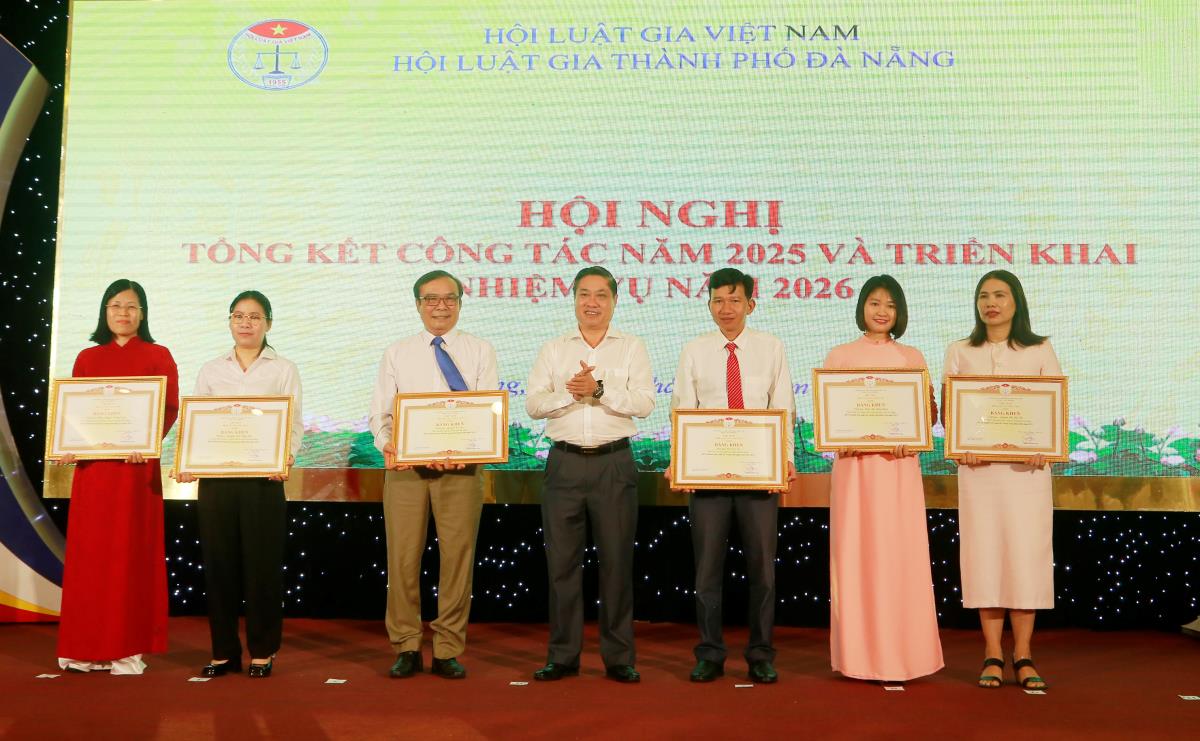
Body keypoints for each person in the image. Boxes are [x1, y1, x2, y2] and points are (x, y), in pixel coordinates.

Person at [526, 266, 654, 683]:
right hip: (563, 463)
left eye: (601, 295)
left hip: (613, 463)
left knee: (616, 563)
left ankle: (619, 658)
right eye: (584, 294)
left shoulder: (632, 347)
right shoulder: (554, 349)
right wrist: (572, 392)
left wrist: (599, 391)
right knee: (562, 565)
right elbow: (533, 405)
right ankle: (563, 656)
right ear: (574, 299)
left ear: (614, 301)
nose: (592, 302)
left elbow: (644, 403)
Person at [668, 267, 796, 684]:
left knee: (763, 571)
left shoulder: (771, 348)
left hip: (759, 475)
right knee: (707, 571)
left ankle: (761, 654)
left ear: (750, 304)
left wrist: (785, 459)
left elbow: (783, 406)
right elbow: (682, 409)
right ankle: (710, 653)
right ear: (709, 305)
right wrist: (680, 460)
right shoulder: (694, 350)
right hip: (707, 477)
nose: (726, 308)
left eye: (734, 300)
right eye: (718, 300)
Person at [368, 270, 497, 679]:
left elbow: (487, 412)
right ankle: (406, 644)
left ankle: (447, 648)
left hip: (462, 471)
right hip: (406, 470)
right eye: (431, 299)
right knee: (402, 558)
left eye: (449, 298)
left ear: (460, 302)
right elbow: (380, 413)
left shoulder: (480, 350)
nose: (441, 306)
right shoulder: (397, 353)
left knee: (457, 559)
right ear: (417, 304)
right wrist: (388, 444)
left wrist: (466, 450)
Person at [943, 269, 1061, 690]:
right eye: (983, 296)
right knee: (986, 557)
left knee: (1025, 559)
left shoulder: (1040, 349)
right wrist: (961, 444)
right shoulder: (960, 351)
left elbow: (1053, 409)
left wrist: (1043, 445)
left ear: (1016, 302)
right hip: (979, 473)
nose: (990, 303)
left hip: (1028, 473)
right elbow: (951, 414)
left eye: (999, 295)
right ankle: (992, 653)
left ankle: (1023, 654)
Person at [175, 291, 302, 678]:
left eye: (254, 316)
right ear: (230, 321)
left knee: (262, 567)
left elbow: (293, 422)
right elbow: (197, 422)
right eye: (238, 316)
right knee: (219, 568)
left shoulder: (283, 368)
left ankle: (263, 651)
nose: (246, 323)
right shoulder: (212, 369)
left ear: (268, 323)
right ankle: (224, 652)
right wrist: (188, 460)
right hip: (217, 482)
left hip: (263, 481)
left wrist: (284, 458)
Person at [55, 279, 179, 675]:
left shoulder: (158, 356)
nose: (123, 313)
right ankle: (83, 647)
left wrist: (147, 440)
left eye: (131, 306)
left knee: (130, 556)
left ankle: (127, 649)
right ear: (104, 312)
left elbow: (169, 408)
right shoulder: (87, 358)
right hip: (93, 473)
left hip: (135, 473)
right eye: (115, 306)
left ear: (142, 313)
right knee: (89, 557)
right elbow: (75, 413)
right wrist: (70, 443)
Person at [824, 275, 943, 682]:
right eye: (874, 302)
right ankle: (857, 658)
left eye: (890, 305)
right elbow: (830, 417)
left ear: (900, 312)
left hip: (897, 472)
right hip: (854, 473)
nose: (881, 311)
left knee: (898, 558)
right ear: (861, 306)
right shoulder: (840, 356)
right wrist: (842, 438)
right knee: (856, 558)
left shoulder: (912, 357)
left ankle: (906, 657)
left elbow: (928, 416)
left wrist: (914, 432)